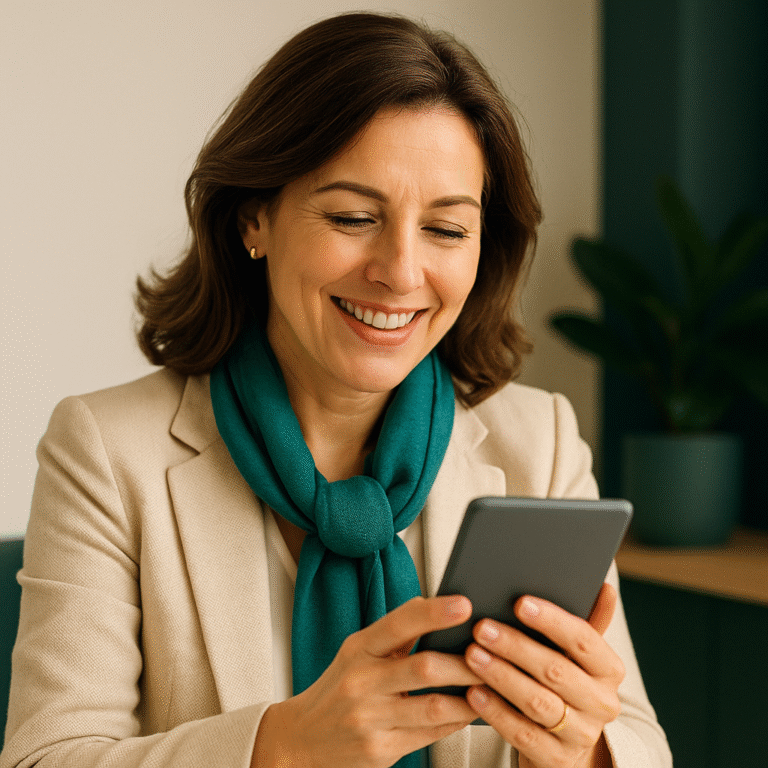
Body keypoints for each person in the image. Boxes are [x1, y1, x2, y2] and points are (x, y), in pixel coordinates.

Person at [1, 12, 672, 768]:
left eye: (447, 231)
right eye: (354, 216)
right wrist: (280, 748)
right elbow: (43, 758)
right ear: (255, 216)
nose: (401, 271)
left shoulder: (539, 442)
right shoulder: (105, 451)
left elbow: (638, 741)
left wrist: (584, 748)